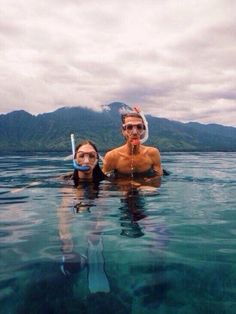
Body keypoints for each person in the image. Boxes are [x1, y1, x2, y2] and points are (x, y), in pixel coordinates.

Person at [102, 106, 163, 179]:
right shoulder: (112, 157)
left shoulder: (152, 153)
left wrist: (149, 184)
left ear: (143, 130)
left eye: (139, 127)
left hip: (145, 188)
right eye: (130, 127)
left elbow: (159, 177)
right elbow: (105, 184)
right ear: (123, 131)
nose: (134, 132)